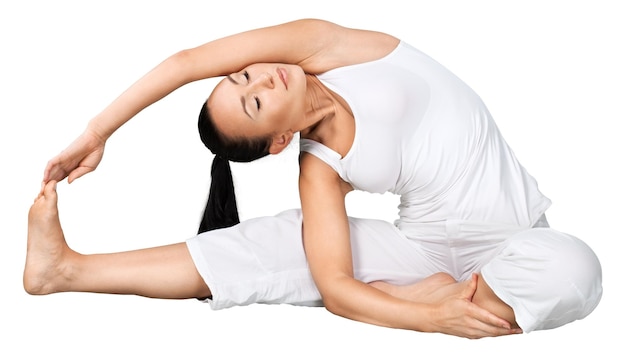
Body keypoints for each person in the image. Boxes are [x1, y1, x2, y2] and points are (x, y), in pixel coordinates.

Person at [27, 19, 602, 339]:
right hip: (423, 256)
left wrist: (98, 130)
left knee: (571, 267)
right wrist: (427, 315)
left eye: (243, 77)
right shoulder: (319, 169)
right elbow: (336, 287)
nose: (262, 81)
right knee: (285, 244)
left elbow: (185, 62)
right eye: (254, 103)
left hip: (513, 243)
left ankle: (456, 299)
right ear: (279, 142)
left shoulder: (331, 48)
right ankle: (65, 270)